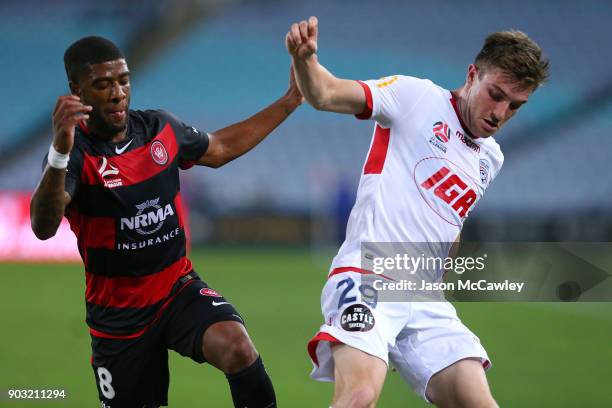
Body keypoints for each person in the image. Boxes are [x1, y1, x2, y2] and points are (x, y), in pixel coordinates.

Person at [286, 17, 549, 408]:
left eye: (515, 106)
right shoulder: (416, 97)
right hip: (368, 274)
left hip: (424, 294)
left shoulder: (490, 158)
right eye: (496, 94)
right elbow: (324, 93)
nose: (501, 112)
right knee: (359, 397)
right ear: (473, 74)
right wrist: (305, 60)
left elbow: (449, 222)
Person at [30, 36, 303, 408]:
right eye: (103, 84)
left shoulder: (160, 129)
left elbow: (220, 148)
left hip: (176, 290)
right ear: (76, 91)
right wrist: (60, 150)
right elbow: (43, 227)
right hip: (118, 318)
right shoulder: (73, 154)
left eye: (123, 81)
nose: (117, 93)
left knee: (237, 347)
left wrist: (289, 102)